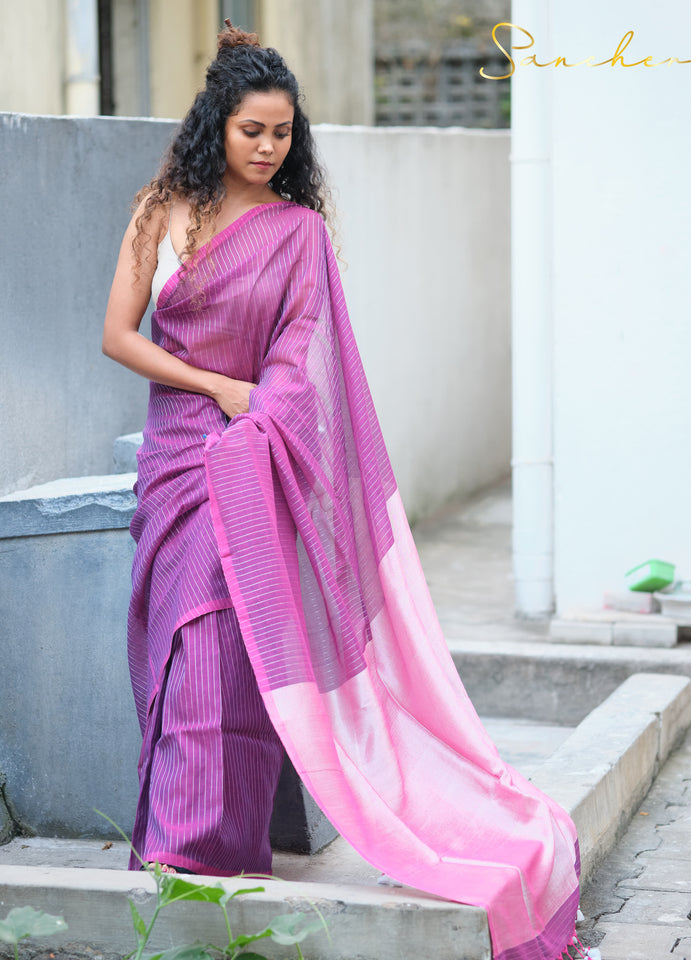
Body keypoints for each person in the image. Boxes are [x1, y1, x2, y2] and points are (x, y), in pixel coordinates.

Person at [103, 22, 591, 960]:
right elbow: (119, 335)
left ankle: (214, 861)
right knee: (179, 651)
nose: (268, 147)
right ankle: (172, 866)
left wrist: (256, 416)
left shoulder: (298, 234)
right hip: (176, 460)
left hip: (250, 465)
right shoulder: (157, 211)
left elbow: (304, 364)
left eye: (283, 133)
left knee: (235, 666)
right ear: (218, 124)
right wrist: (216, 389)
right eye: (252, 129)